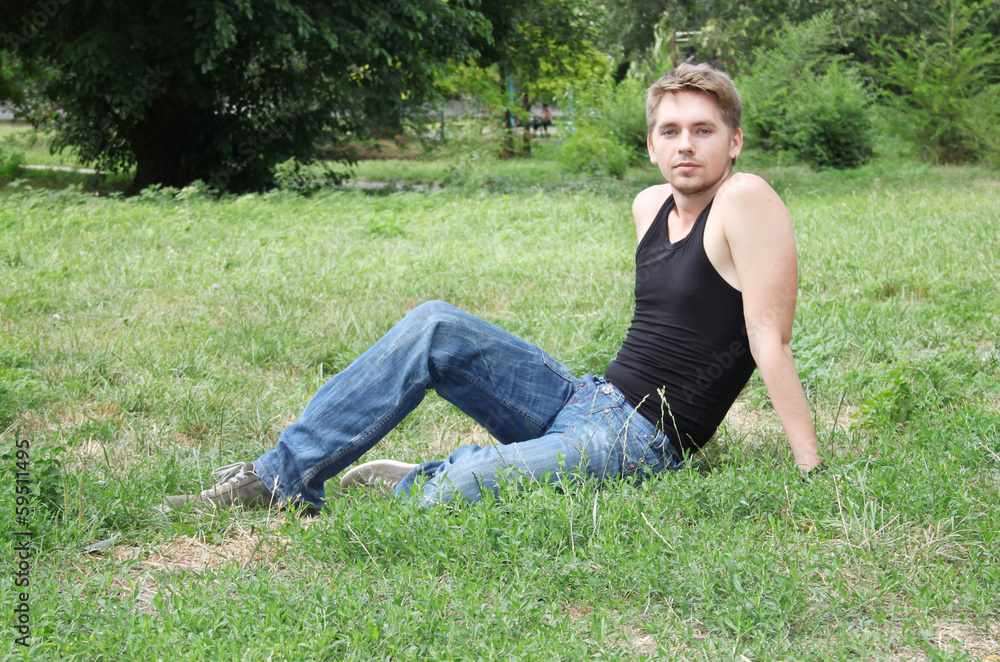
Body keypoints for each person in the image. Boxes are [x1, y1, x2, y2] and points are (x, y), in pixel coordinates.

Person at [166, 62, 823, 513]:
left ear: (734, 142)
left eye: (704, 131)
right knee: (435, 325)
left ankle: (423, 480)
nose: (686, 146)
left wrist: (811, 469)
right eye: (670, 131)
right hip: (585, 399)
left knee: (471, 483)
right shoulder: (649, 204)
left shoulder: (745, 198)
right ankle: (277, 479)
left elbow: (769, 339)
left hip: (638, 442)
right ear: (651, 146)